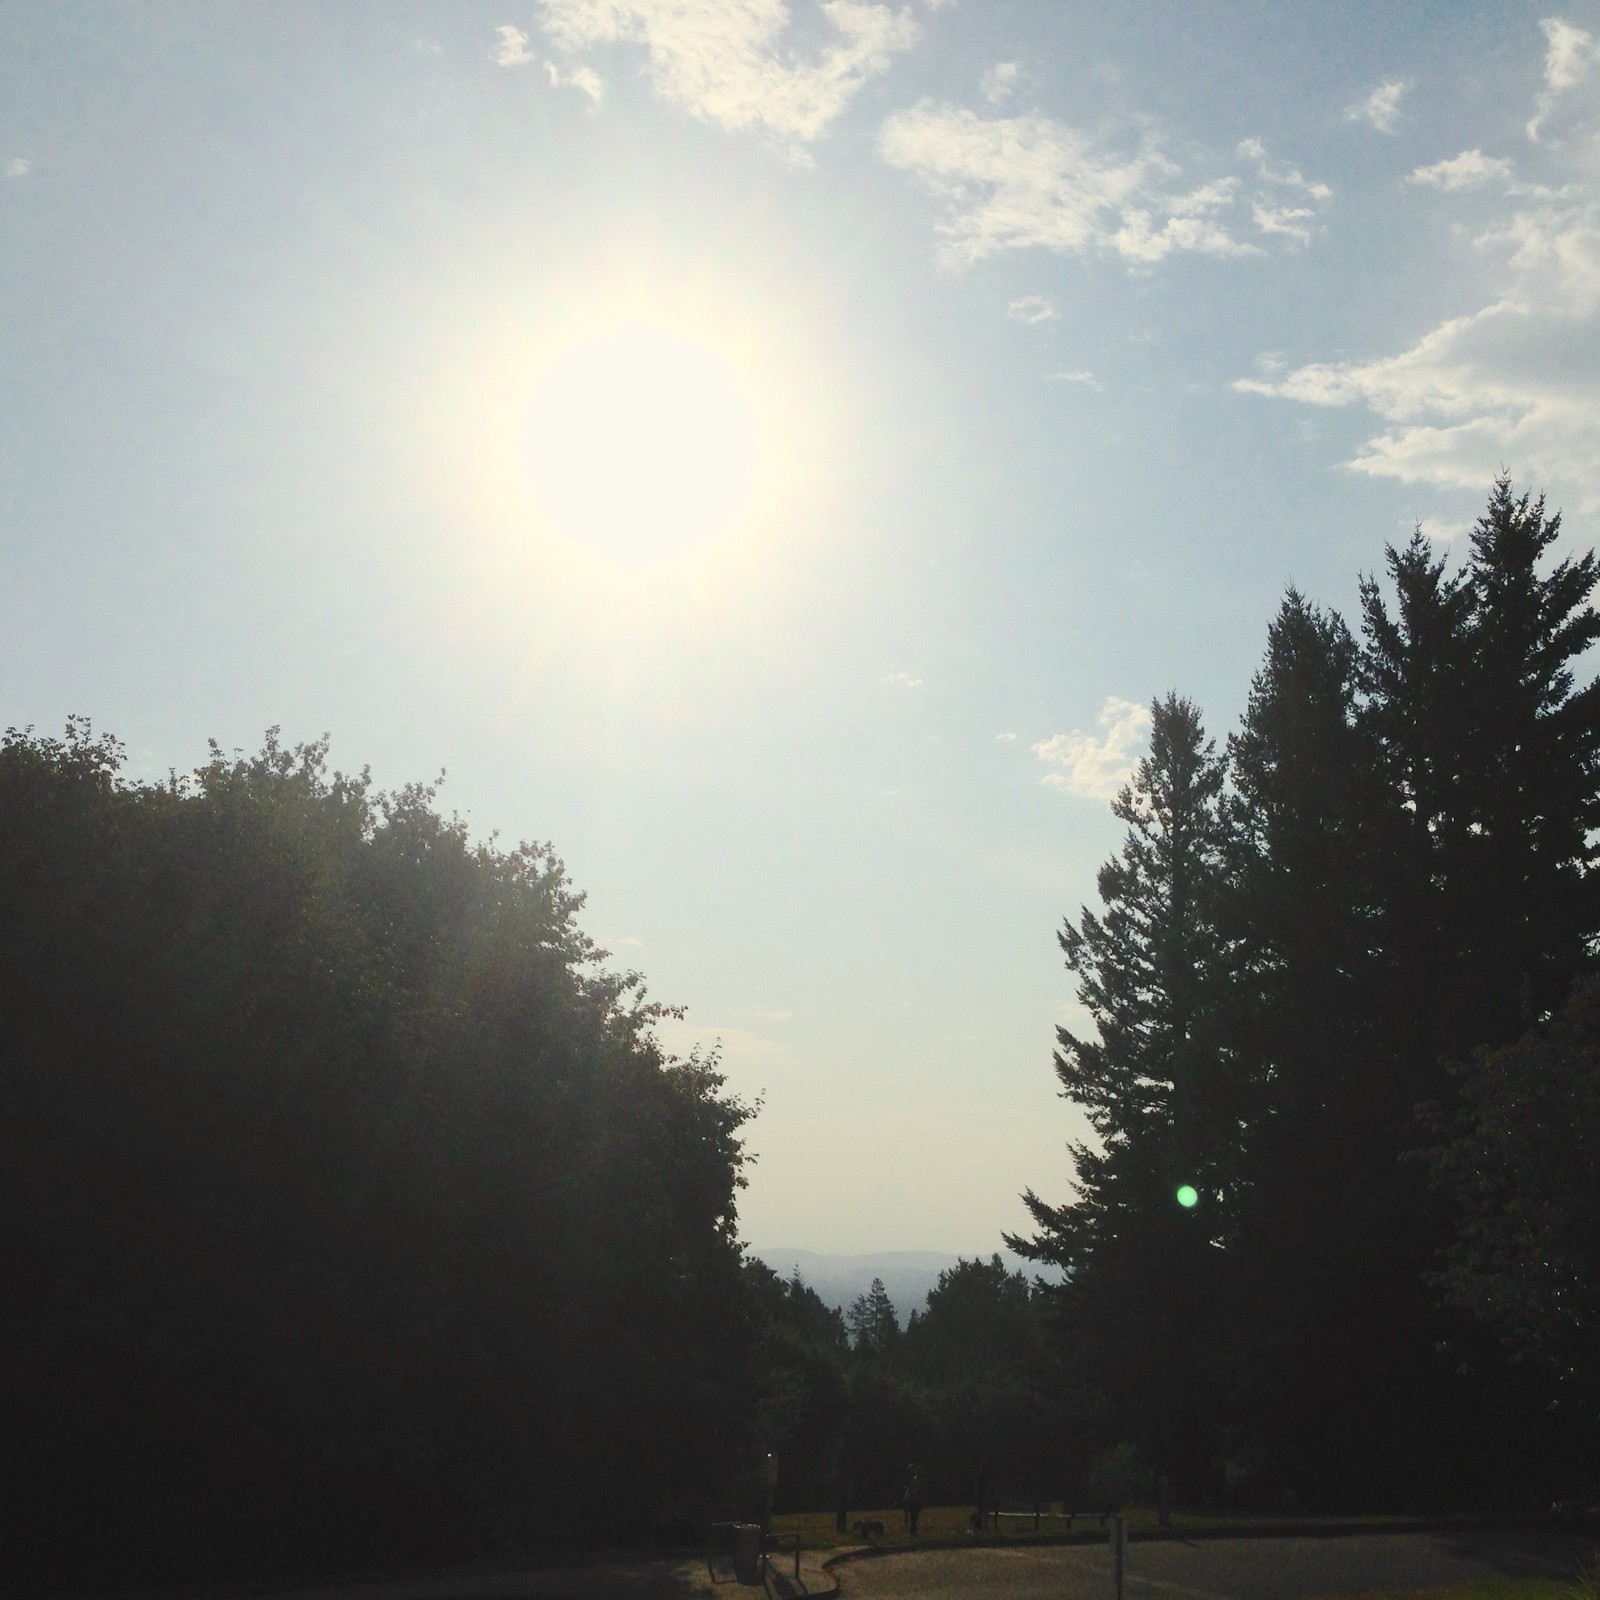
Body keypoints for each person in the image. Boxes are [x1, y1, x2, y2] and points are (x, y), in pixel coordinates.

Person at [903, 1462, 925, 1537]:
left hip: (915, 1500)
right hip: (912, 1500)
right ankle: (912, 1531)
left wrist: (909, 1495)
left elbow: (917, 1489)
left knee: (914, 1516)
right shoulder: (913, 1479)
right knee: (912, 1516)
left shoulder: (919, 1480)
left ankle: (913, 1531)